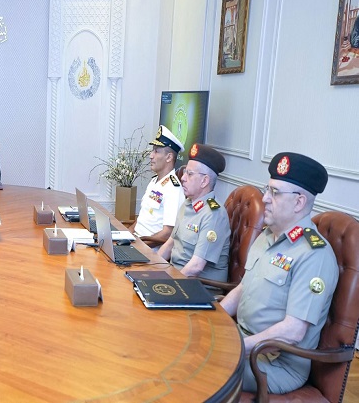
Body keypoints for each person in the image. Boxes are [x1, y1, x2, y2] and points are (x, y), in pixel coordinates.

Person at [220, 152, 338, 394]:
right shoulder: (267, 236)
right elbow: (242, 289)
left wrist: (236, 347)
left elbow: (293, 331)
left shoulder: (314, 255)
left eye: (275, 193)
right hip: (243, 341)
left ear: (299, 202)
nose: (265, 198)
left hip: (274, 364)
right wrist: (211, 320)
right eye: (268, 189)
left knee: (199, 366)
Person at [157, 143, 230, 281]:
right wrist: (151, 269)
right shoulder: (188, 203)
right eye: (185, 172)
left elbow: (196, 267)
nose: (183, 178)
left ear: (204, 181)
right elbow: (170, 244)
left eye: (189, 174)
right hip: (177, 275)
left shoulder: (213, 215)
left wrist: (169, 284)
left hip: (198, 285)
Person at [130, 125, 185, 246]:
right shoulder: (154, 181)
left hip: (149, 250)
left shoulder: (173, 189)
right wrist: (124, 236)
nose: (151, 155)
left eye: (156, 151)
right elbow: (142, 219)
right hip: (136, 242)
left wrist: (137, 246)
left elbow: (167, 234)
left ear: (169, 157)